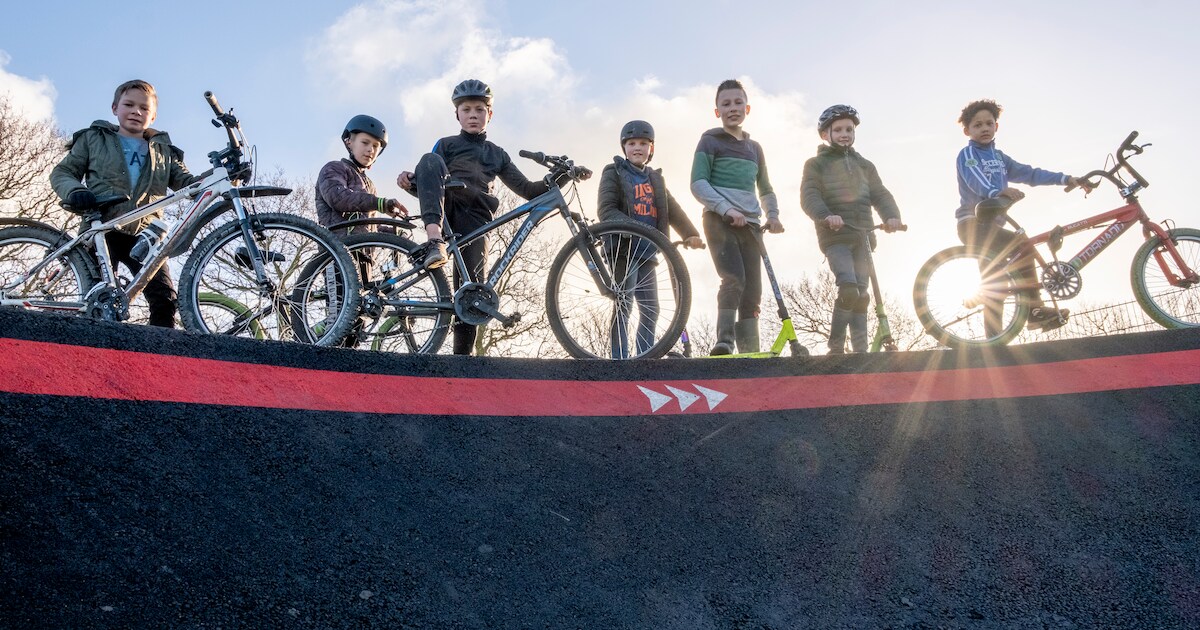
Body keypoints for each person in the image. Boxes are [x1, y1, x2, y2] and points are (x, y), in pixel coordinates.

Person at [397, 79, 590, 355]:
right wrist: (412, 182)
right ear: (457, 115)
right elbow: (431, 180)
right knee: (429, 159)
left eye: (479, 109)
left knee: (473, 295)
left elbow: (528, 190)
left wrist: (559, 177)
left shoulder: (497, 154)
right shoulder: (446, 144)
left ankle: (462, 364)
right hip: (447, 214)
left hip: (478, 220)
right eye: (466, 110)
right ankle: (434, 242)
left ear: (490, 114)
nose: (473, 114)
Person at [50, 79, 196, 328]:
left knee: (164, 299)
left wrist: (219, 178)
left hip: (145, 234)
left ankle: (158, 357)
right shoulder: (94, 138)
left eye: (144, 108)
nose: (136, 112)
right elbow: (62, 172)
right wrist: (75, 191)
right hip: (101, 227)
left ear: (153, 116)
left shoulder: (164, 150)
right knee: (95, 298)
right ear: (115, 108)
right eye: (129, 104)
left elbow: (188, 183)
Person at [955, 99, 1089, 332]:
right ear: (968, 131)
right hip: (973, 224)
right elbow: (975, 178)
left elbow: (1030, 174)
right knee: (1021, 247)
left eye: (989, 123)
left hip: (992, 226)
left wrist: (1066, 179)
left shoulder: (999, 158)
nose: (984, 128)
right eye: (978, 125)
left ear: (997, 126)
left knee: (996, 283)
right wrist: (996, 191)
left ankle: (996, 339)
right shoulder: (968, 154)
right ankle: (1034, 309)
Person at [597, 120, 704, 358]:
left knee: (651, 309)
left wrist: (690, 233)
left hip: (648, 251)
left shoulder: (655, 179)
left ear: (651, 148)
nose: (637, 148)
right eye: (632, 143)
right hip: (624, 249)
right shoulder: (613, 172)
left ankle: (645, 357)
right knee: (624, 304)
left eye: (643, 144)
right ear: (624, 147)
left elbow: (672, 209)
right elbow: (606, 210)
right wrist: (635, 228)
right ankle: (620, 359)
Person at [800, 105, 903, 354]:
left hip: (864, 235)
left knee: (863, 295)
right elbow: (809, 195)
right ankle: (835, 346)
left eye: (849, 129)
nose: (845, 133)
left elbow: (879, 193)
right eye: (838, 130)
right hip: (836, 236)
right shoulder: (816, 164)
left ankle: (860, 351)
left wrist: (891, 217)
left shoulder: (865, 165)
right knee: (848, 288)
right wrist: (826, 216)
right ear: (825, 134)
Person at [690, 79, 782, 356]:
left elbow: (765, 188)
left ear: (747, 108)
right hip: (720, 220)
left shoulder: (755, 149)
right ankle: (725, 341)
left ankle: (750, 352)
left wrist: (773, 215)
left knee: (753, 290)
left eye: (738, 102)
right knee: (733, 279)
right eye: (726, 104)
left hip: (751, 226)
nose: (733, 108)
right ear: (717, 111)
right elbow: (698, 183)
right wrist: (726, 209)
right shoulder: (709, 141)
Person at [316, 115, 421, 244]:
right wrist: (380, 203)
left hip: (362, 258)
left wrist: (394, 233)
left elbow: (368, 227)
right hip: (335, 252)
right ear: (349, 142)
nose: (370, 149)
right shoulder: (334, 168)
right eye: (365, 142)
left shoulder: (370, 186)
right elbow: (338, 198)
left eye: (376, 146)